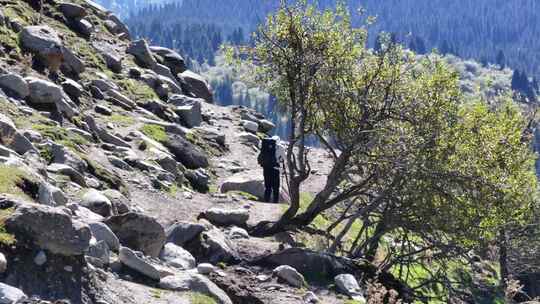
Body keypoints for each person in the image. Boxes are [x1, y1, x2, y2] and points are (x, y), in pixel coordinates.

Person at [258, 136, 285, 203]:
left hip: (266, 167)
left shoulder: (265, 146)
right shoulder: (280, 147)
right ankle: (275, 202)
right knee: (276, 187)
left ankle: (266, 200)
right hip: (275, 168)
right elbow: (283, 158)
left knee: (267, 186)